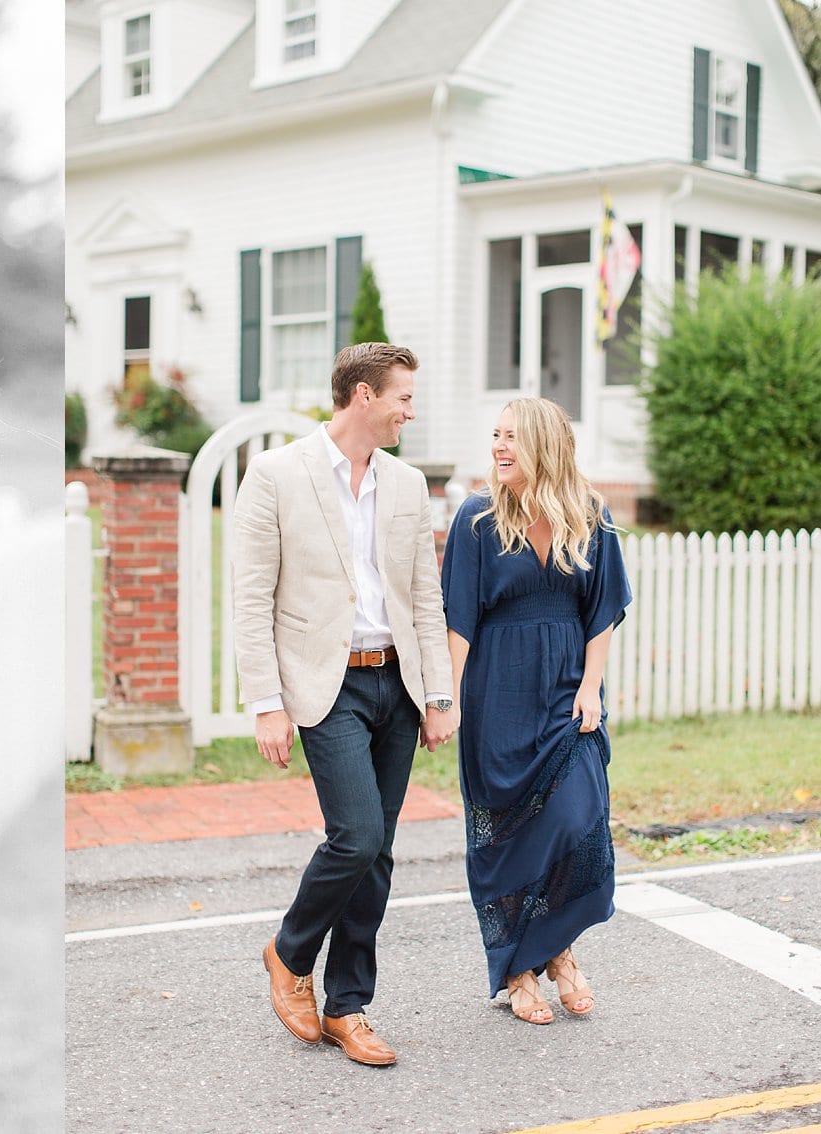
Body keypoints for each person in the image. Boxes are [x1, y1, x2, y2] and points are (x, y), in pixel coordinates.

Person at [231, 342, 459, 1067]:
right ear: (362, 395)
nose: (408, 411)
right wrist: (267, 702)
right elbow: (249, 597)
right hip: (321, 687)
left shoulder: (406, 484)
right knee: (355, 838)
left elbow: (425, 594)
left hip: (394, 681)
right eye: (402, 397)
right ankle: (287, 951)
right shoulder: (273, 473)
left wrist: (437, 693)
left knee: (380, 854)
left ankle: (347, 1007)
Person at [440, 397, 632, 1025]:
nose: (499, 447)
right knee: (510, 837)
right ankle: (524, 969)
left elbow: (602, 609)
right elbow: (460, 619)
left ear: (544, 445)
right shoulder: (476, 518)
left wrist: (591, 688)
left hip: (565, 688)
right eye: (494, 435)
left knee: (577, 818)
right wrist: (447, 701)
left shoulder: (589, 514)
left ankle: (558, 951)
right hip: (497, 693)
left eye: (513, 439)